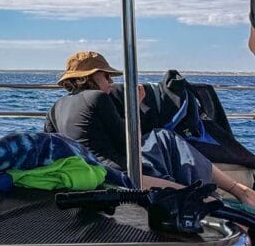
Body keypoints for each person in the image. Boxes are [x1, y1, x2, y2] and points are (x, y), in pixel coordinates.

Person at [45, 51, 255, 206]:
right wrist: (136, 106)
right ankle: (236, 190)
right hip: (116, 173)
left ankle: (230, 191)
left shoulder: (55, 107)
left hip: (88, 173)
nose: (111, 82)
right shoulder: (97, 97)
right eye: (106, 76)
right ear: (87, 77)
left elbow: (52, 145)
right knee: (165, 138)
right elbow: (129, 144)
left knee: (163, 141)